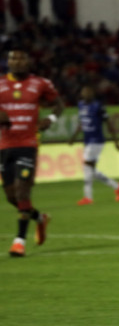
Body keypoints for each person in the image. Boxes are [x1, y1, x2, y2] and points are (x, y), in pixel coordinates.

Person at [0, 47, 64, 257]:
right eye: (13, 58)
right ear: (8, 62)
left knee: (22, 191)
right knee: (11, 197)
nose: (17, 62)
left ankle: (19, 242)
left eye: (21, 58)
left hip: (28, 144)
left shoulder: (41, 83)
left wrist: (51, 119)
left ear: (28, 61)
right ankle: (39, 218)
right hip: (4, 146)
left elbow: (58, 104)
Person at [68, 85, 119, 205]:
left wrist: (116, 142)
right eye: (84, 92)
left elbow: (108, 123)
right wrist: (73, 137)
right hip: (88, 141)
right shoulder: (81, 105)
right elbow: (82, 123)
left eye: (89, 92)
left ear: (92, 94)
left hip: (97, 140)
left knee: (87, 165)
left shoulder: (98, 106)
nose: (86, 94)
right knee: (90, 169)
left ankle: (88, 197)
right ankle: (117, 186)